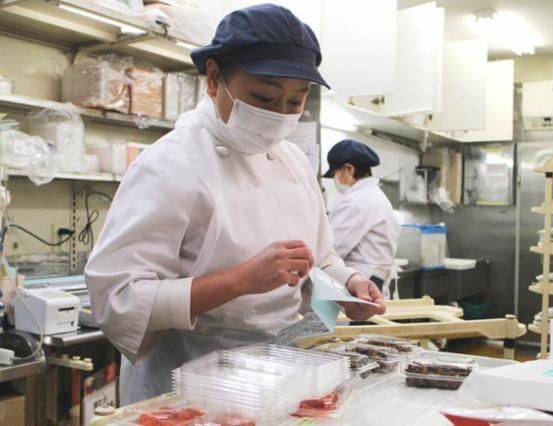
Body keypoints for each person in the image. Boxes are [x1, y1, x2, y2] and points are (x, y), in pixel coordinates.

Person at [85, 4, 385, 405]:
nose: (279, 116)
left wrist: (347, 286)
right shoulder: (168, 166)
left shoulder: (294, 162)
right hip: (186, 382)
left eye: (295, 102)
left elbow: (319, 257)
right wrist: (240, 280)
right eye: (264, 97)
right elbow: (117, 299)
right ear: (214, 78)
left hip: (279, 368)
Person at [323, 139, 400, 296]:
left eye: (336, 173)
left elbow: (330, 248)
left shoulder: (356, 201)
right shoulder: (375, 196)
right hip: (373, 281)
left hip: (361, 284)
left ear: (349, 169)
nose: (336, 179)